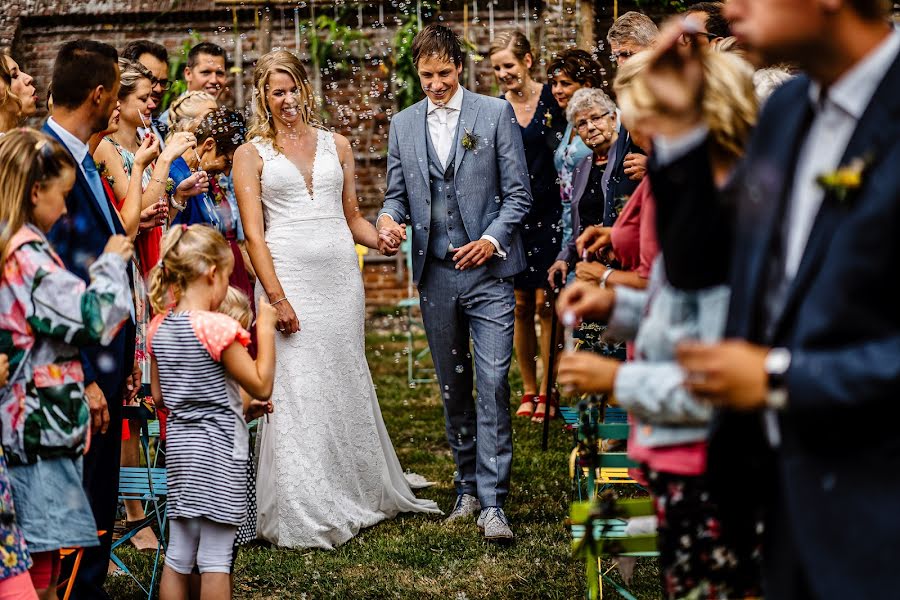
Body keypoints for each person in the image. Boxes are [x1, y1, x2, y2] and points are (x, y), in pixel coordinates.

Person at [640, 3, 900, 597]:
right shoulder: (786, 113)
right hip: (784, 512)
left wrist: (781, 379)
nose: (730, 4)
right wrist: (679, 127)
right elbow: (700, 266)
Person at [558, 48, 762, 599]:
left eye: (653, 117)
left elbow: (718, 379)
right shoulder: (695, 202)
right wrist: (613, 308)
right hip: (675, 447)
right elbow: (674, 314)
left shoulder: (723, 219)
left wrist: (613, 381)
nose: (636, 129)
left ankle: (622, 557)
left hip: (712, 461)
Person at [233, 49, 441, 549]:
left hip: (339, 280)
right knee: (297, 384)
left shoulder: (338, 144)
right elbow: (253, 237)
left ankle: (354, 483)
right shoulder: (250, 154)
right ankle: (304, 497)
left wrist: (381, 238)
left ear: (307, 89)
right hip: (288, 278)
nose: (286, 100)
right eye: (275, 91)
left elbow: (352, 217)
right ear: (262, 95)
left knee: (343, 372)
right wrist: (277, 298)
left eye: (292, 89)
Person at [378, 24, 532, 541]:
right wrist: (387, 218)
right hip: (436, 275)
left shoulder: (494, 114)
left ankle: (494, 502)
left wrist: (490, 240)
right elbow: (397, 194)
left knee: (492, 382)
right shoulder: (402, 124)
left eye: (444, 74)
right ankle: (465, 486)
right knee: (454, 386)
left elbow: (519, 196)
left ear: (459, 69)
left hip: (489, 275)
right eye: (427, 76)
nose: (436, 85)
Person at [0, 129, 134, 600]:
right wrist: (113, 263)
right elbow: (95, 320)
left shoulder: (12, 245)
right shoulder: (27, 256)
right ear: (36, 192)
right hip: (35, 428)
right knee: (36, 560)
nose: (64, 209)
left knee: (37, 557)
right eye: (61, 196)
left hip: (26, 422)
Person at [41, 39, 135, 600]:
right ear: (99, 95)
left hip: (103, 360)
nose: (119, 102)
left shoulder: (81, 154)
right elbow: (50, 283)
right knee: (77, 508)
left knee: (97, 496)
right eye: (118, 90)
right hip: (75, 372)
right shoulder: (48, 163)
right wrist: (81, 373)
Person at [149, 225, 275, 600]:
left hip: (182, 452)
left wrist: (237, 404)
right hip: (220, 453)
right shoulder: (218, 327)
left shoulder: (159, 326)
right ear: (212, 273)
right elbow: (261, 383)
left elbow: (159, 396)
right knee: (217, 557)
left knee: (179, 553)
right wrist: (265, 328)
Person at [488, 31, 564, 422]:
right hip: (514, 217)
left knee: (547, 303)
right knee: (519, 305)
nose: (504, 74)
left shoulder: (553, 99)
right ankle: (529, 389)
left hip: (552, 212)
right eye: (498, 68)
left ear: (528, 61)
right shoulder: (496, 109)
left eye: (509, 65)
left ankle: (551, 389)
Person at [547, 48, 603, 268]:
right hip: (569, 217)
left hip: (593, 217)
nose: (557, 90)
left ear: (587, 85)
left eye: (565, 83)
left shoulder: (603, 122)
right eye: (554, 84)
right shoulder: (571, 122)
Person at [159, 42, 227, 129]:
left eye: (219, 73)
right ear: (188, 74)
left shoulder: (222, 116)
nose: (214, 80)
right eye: (206, 72)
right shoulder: (169, 121)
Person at [121, 40, 170, 143]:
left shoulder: (163, 129)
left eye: (163, 82)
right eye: (151, 79)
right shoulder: (106, 139)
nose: (158, 89)